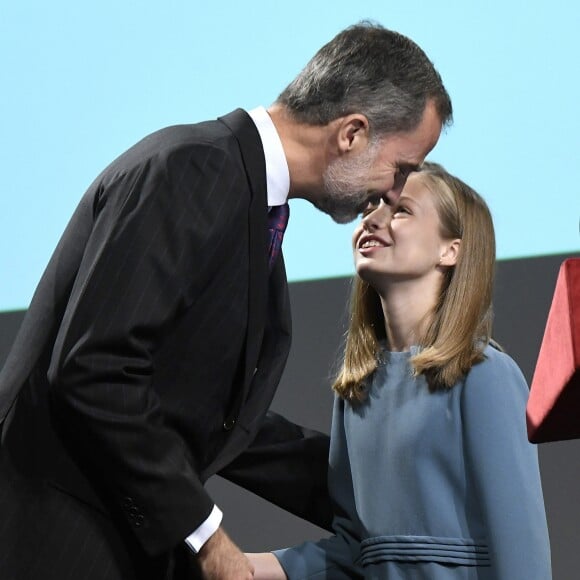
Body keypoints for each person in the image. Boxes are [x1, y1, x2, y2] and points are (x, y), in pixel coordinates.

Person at [0, 22, 452, 580]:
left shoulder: (242, 200)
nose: (393, 192)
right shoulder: (193, 169)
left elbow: (211, 418)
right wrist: (210, 541)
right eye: (402, 168)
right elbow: (95, 373)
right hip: (50, 539)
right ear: (352, 133)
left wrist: (388, 493)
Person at [249, 162, 552, 579]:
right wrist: (240, 567)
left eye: (401, 210)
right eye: (371, 205)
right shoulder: (356, 390)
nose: (372, 218)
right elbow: (355, 550)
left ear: (451, 250)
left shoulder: (484, 375)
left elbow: (521, 549)